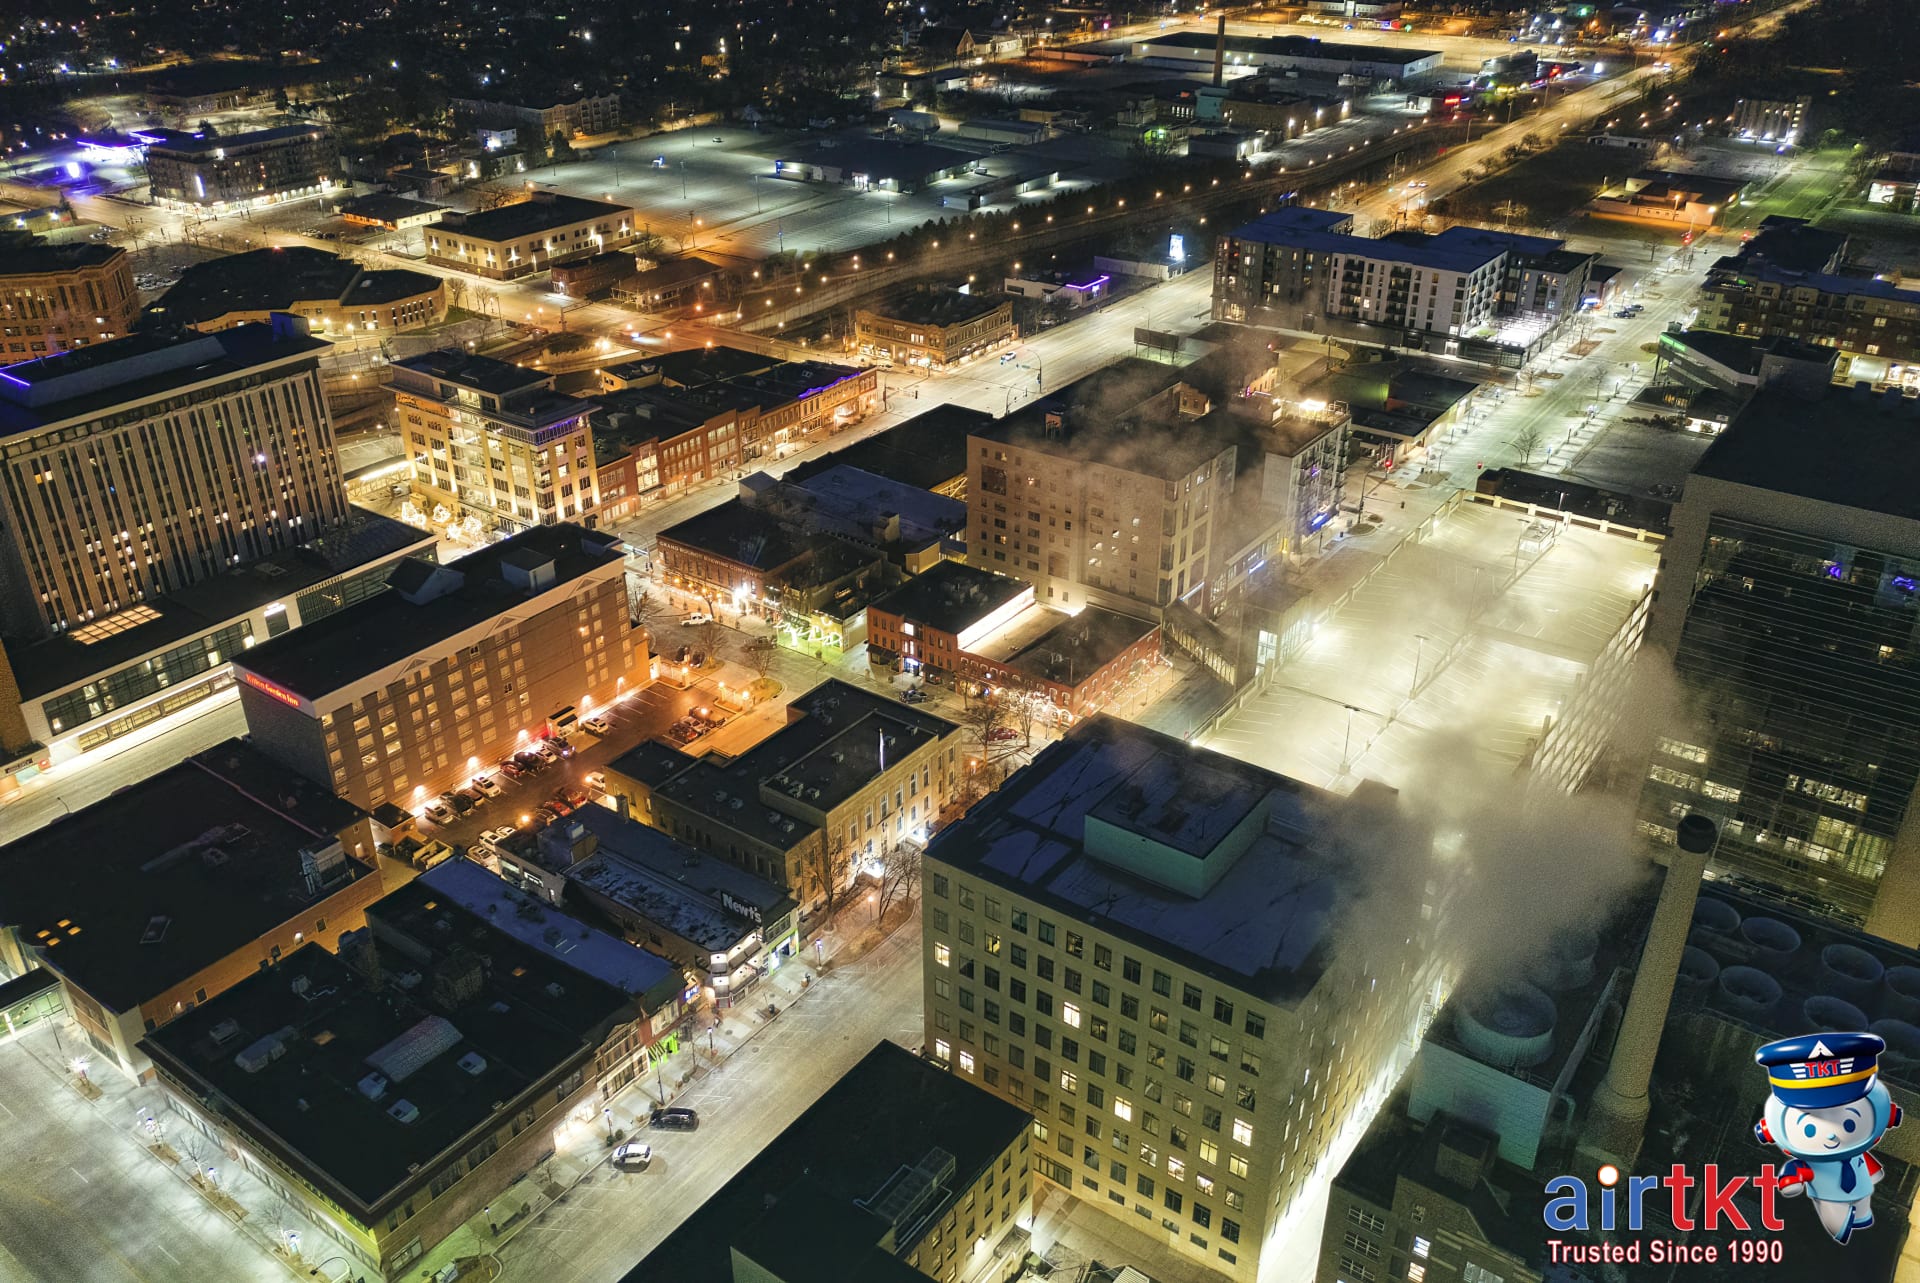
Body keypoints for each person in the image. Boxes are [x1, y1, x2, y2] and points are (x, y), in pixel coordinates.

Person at [1755, 1032, 1901, 1243]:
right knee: (1835, 1217)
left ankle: (1860, 1218)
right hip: (1828, 1196)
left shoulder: (1860, 1147)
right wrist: (1792, 1181)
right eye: (1811, 1128)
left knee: (1862, 1209)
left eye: (1848, 1123)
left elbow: (1866, 1164)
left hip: (1858, 1190)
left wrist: (1874, 1173)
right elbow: (1794, 1173)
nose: (1832, 1134)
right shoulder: (1810, 1161)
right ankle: (1842, 1226)